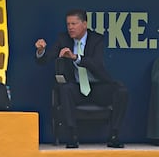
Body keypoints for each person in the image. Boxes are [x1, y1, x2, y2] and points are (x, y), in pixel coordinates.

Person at [34, 9, 128, 148]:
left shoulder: (97, 39)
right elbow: (45, 60)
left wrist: (76, 58)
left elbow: (96, 64)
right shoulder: (63, 39)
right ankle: (72, 136)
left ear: (84, 24)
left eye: (74, 23)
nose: (70, 27)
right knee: (64, 89)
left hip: (98, 87)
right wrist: (41, 51)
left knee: (121, 91)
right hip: (76, 88)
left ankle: (114, 135)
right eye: (68, 24)